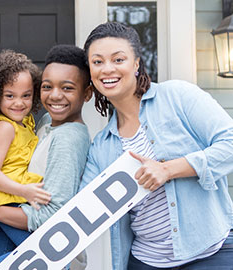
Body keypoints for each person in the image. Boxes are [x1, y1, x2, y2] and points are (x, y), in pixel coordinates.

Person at [80, 21, 233, 270]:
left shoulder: (178, 97)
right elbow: (84, 208)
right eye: (97, 62)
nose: (107, 69)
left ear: (137, 63)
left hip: (211, 253)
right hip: (145, 262)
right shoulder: (101, 146)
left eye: (118, 59)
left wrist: (168, 169)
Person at [0, 44, 93, 270]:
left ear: (86, 93)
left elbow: (51, 216)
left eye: (67, 88)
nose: (55, 95)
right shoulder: (45, 122)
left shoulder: (68, 137)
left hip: (40, 239)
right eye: (48, 86)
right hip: (10, 211)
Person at [0, 49, 51, 262]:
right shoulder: (5, 127)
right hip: (8, 202)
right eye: (10, 96)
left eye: (26, 95)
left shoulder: (26, 123)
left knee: (8, 261)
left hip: (9, 203)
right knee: (45, 255)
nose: (19, 103)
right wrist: (24, 191)